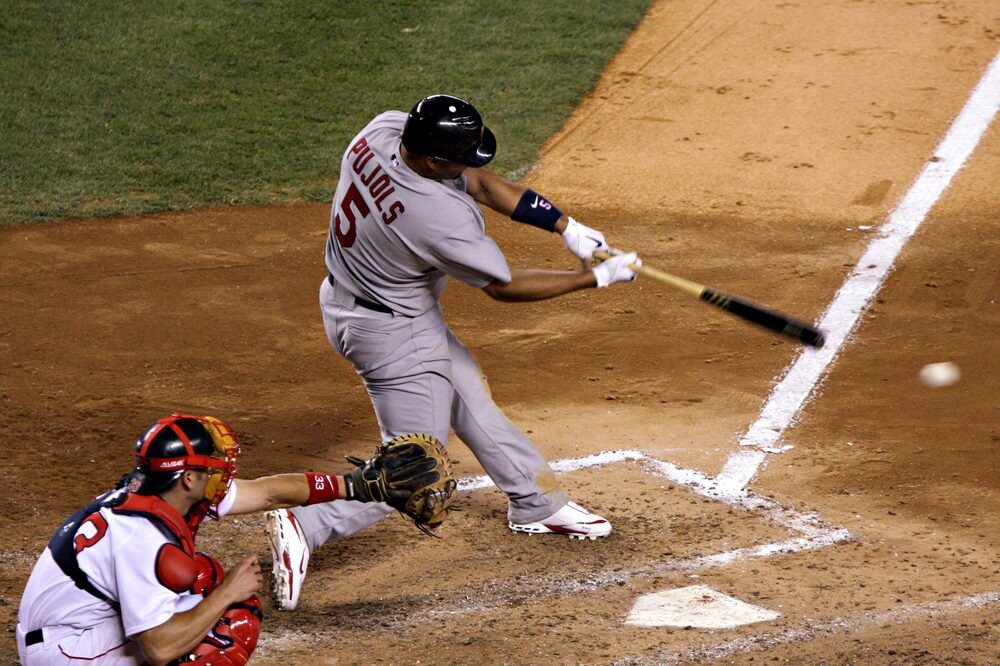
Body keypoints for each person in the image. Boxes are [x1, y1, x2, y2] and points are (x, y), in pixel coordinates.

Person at [266, 93, 641, 610]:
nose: (469, 165)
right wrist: (592, 278)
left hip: (360, 297)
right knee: (416, 469)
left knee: (467, 394)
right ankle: (307, 523)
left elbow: (481, 181)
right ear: (432, 161)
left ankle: (536, 502)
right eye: (459, 158)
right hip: (393, 331)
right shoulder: (434, 216)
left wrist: (565, 226)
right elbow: (503, 287)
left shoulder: (383, 132)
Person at [15, 413, 415, 665]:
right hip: (64, 650)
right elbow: (158, 650)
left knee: (201, 575)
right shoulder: (142, 538)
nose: (221, 476)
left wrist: (355, 486)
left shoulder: (156, 491)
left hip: (69, 624)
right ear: (189, 477)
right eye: (212, 469)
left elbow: (271, 492)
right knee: (229, 618)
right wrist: (227, 593)